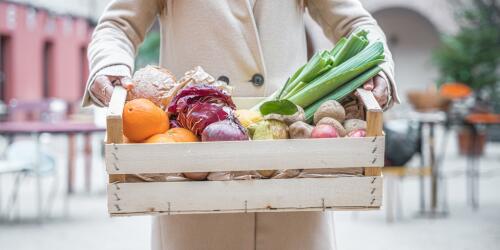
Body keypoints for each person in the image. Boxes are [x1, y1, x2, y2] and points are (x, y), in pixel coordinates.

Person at [83, 1, 399, 249]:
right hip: (195, 167)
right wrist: (109, 65)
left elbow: (354, 22)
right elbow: (118, 24)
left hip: (290, 166)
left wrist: (379, 68)